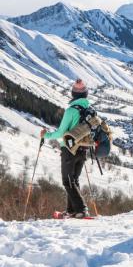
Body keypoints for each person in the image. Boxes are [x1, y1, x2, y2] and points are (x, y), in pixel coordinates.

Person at [40, 79, 90, 218]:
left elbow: (61, 132)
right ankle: (71, 210)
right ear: (86, 94)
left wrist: (46, 135)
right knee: (74, 180)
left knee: (67, 181)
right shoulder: (89, 110)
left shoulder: (71, 111)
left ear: (73, 94)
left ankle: (81, 209)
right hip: (83, 149)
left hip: (69, 150)